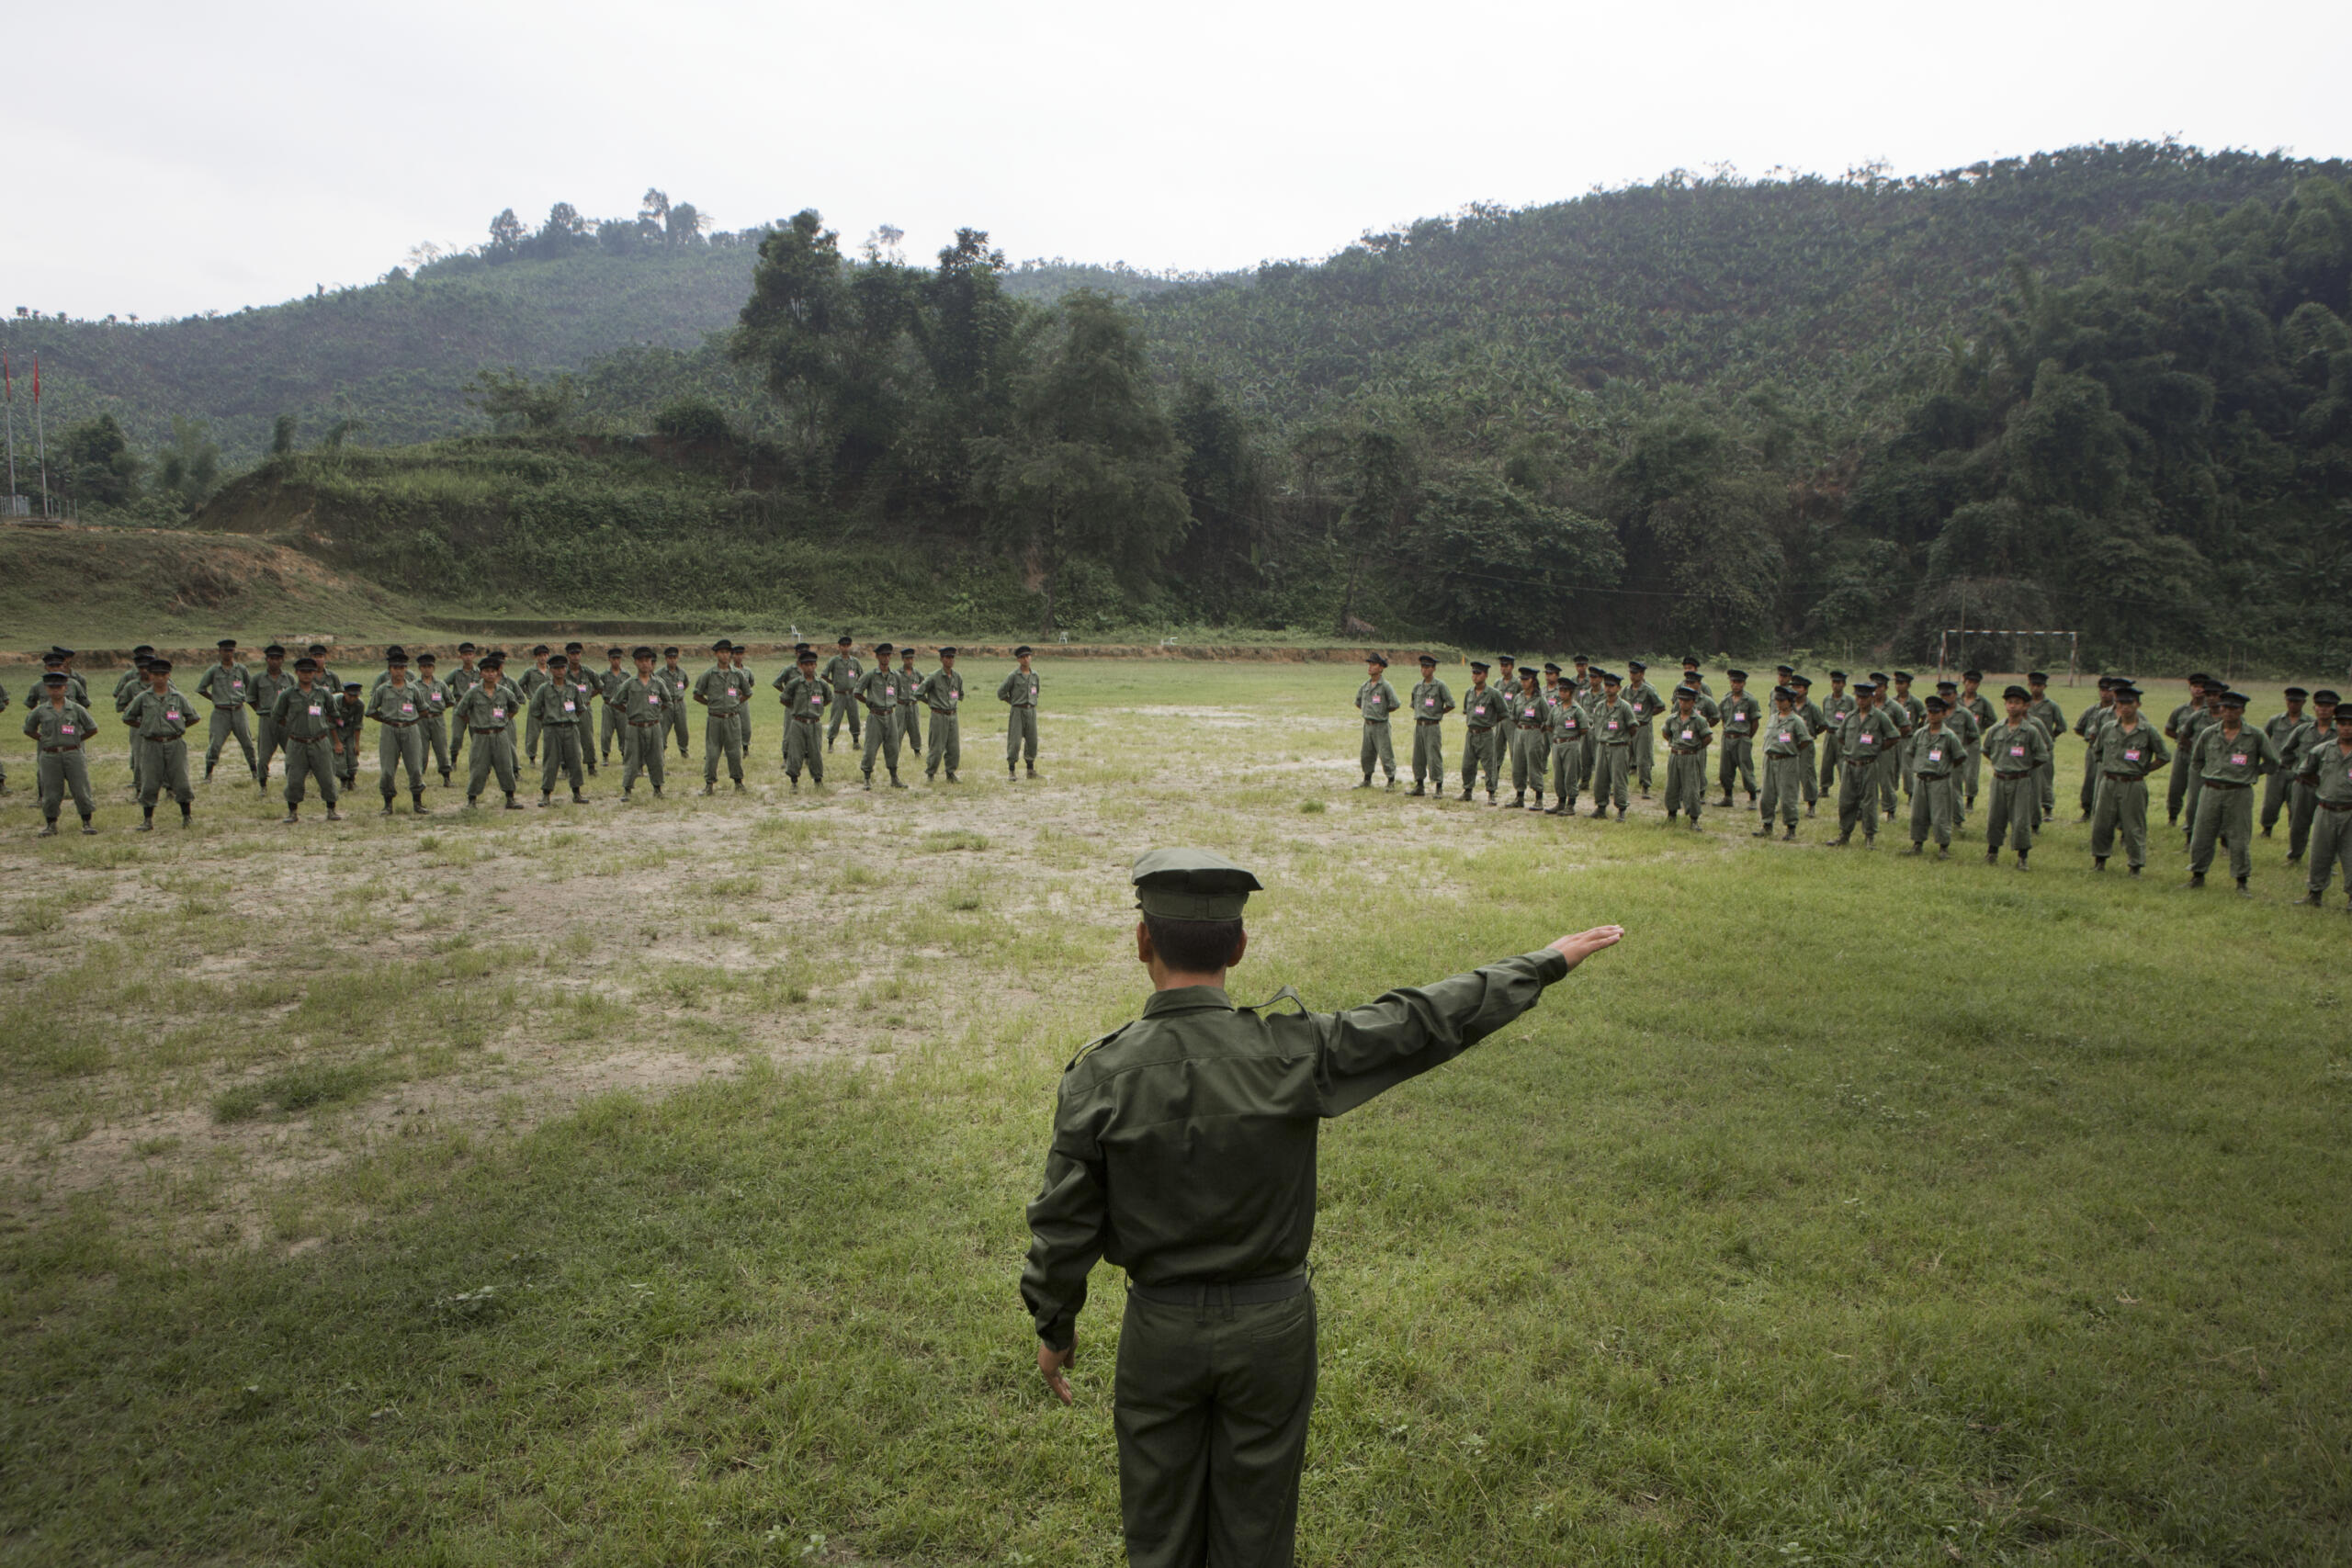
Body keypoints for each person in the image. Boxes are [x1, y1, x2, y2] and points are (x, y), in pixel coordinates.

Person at [1020, 847, 1623, 1568]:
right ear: (1240, 947)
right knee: (1258, 1531)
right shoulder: (1294, 1049)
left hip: (1162, 1330)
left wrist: (1055, 1324)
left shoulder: (1102, 1074)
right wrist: (1542, 961)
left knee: (1158, 1531)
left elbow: (1064, 1223)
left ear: (1142, 940)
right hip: (1273, 1328)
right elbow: (1421, 1019)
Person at [2186, 691, 2278, 895]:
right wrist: (2210, 775)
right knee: (2202, 834)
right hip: (2211, 790)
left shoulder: (2255, 735)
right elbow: (2196, 760)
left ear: (2242, 710)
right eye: (2225, 708)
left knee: (2239, 837)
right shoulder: (2209, 733)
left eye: (2234, 708)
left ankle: (2241, 881)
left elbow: (2272, 763)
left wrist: (2252, 772)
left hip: (2239, 792)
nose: (2228, 712)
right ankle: (2197, 875)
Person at [2089, 685, 2166, 876]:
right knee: (2101, 823)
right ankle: (2100, 860)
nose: (2125, 707)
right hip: (2108, 782)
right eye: (2121, 703)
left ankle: (2135, 865)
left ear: (2138, 704)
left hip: (2134, 783)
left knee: (2133, 826)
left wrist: (2144, 769)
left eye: (2129, 703)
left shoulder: (2147, 731)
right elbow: (2097, 751)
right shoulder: (2108, 728)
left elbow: (2164, 756)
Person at [120, 659, 198, 831]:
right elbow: (127, 717)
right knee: (149, 781)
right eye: (156, 675)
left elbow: (193, 716)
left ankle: (187, 816)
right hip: (151, 744)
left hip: (175, 743)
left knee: (181, 780)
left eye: (163, 675)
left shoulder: (177, 697)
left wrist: (178, 728)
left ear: (169, 675)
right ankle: (147, 820)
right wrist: (145, 728)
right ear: (151, 675)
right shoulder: (143, 698)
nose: (160, 678)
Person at [1981, 685, 2050, 869]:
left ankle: (2022, 857)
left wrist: (2023, 767)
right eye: (2009, 702)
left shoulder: (2031, 731)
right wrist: (2000, 764)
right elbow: (1987, 750)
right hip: (1999, 779)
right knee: (1995, 817)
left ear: (2026, 706)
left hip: (2020, 781)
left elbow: (2042, 756)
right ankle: (1992, 851)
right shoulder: (1996, 729)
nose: (2012, 706)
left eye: (2017, 703)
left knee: (2020, 820)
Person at [269, 657, 345, 823]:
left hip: (320, 741)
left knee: (326, 777)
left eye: (310, 671)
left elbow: (334, 714)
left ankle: (331, 809)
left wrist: (326, 727)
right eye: (303, 671)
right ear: (296, 672)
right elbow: (277, 716)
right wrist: (293, 727)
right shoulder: (288, 694)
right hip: (297, 742)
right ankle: (292, 812)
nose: (306, 675)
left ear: (314, 673)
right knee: (294, 778)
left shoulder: (323, 693)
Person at [25, 671, 98, 835]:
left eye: (59, 687)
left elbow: (92, 728)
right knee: (50, 791)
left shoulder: (76, 709)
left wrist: (77, 740)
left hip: (73, 754)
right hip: (50, 755)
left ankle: (87, 822)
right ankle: (51, 824)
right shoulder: (41, 710)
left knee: (81, 789)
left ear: (65, 688)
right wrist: (43, 739)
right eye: (52, 687)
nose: (55, 690)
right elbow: (28, 729)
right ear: (46, 689)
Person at [2295, 703, 2352, 910]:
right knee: (2320, 853)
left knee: (2350, 855)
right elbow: (2305, 772)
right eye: (2343, 724)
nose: (2347, 728)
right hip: (2326, 809)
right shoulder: (2321, 750)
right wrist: (2323, 787)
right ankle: (2314, 893)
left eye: (2351, 724)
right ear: (2336, 726)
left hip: (2350, 812)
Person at [1830, 680, 1900, 848]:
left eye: (1864, 697)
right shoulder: (1850, 717)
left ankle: (1869, 836)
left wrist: (1877, 749)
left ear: (1872, 697)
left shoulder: (1879, 717)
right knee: (1846, 801)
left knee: (1869, 802)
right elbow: (1840, 736)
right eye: (1858, 697)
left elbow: (1894, 736)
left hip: (1869, 765)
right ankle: (1844, 834)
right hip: (1850, 764)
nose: (1861, 700)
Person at [452, 653, 523, 809]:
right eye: (487, 671)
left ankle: (510, 798)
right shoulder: (473, 693)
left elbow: (515, 707)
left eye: (493, 671)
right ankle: (472, 800)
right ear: (481, 673)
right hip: (481, 736)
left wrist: (504, 721)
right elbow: (461, 711)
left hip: (500, 734)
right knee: (478, 767)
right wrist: (474, 723)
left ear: (498, 672)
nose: (490, 674)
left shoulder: (504, 692)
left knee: (505, 765)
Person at [368, 652, 432, 815]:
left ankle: (417, 803)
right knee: (388, 770)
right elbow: (371, 710)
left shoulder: (413, 689)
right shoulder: (383, 689)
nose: (399, 671)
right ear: (390, 670)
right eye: (395, 668)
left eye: (402, 668)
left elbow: (424, 709)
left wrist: (412, 720)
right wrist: (386, 720)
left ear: (406, 670)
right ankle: (388, 804)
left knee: (415, 768)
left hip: (410, 729)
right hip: (389, 730)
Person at [1902, 696, 1962, 856]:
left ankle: (1943, 847)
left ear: (1944, 714)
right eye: (1930, 712)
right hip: (1921, 779)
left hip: (1939, 780)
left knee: (1940, 815)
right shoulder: (1920, 733)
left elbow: (1960, 756)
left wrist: (1945, 768)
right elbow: (1911, 751)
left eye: (1936, 712)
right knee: (1918, 814)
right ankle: (1917, 844)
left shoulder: (1949, 736)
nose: (1932, 715)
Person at [2284, 690, 2338, 863]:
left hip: (2330, 786)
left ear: (2335, 709)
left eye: (2328, 706)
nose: (2324, 710)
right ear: (2314, 708)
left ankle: (2329, 861)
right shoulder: (2302, 730)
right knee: (2298, 822)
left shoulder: (2342, 732)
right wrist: (2297, 770)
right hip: (2304, 784)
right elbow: (2286, 752)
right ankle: (2295, 855)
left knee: (2330, 825)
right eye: (2320, 706)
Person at [196, 637, 259, 783]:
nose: (228, 653)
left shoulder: (241, 669)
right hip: (220, 712)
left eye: (230, 650)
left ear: (234, 651)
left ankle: (254, 771)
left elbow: (250, 687)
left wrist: (247, 700)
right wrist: (215, 698)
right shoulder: (213, 670)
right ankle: (208, 773)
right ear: (220, 652)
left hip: (238, 710)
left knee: (247, 742)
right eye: (225, 650)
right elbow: (201, 688)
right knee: (215, 743)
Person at [531, 653, 589, 806]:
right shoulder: (544, 689)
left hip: (570, 728)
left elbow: (580, 708)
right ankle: (546, 794)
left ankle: (577, 793)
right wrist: (548, 720)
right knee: (551, 762)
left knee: (575, 760)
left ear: (566, 669)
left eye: (562, 668)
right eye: (556, 668)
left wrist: (570, 719)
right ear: (550, 670)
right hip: (552, 730)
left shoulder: (573, 688)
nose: (559, 671)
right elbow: (535, 709)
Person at [692, 640, 748, 794]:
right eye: (721, 652)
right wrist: (711, 705)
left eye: (727, 652)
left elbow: (748, 692)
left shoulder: (737, 674)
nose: (724, 655)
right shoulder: (709, 674)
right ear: (716, 654)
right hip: (715, 719)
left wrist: (735, 704)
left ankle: (738, 782)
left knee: (735, 751)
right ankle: (709, 784)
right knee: (712, 752)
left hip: (732, 718)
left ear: (730, 654)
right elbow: (696, 694)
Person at [618, 646, 670, 798]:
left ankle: (658, 789)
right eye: (641, 660)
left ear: (651, 662)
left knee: (657, 758)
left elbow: (667, 701)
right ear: (635, 662)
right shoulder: (629, 683)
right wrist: (629, 712)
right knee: (632, 759)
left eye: (647, 660)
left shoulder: (658, 683)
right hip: (634, 726)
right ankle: (627, 789)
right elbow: (616, 701)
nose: (644, 664)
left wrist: (656, 712)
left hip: (654, 726)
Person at [1756, 685, 1806, 840]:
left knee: (1787, 796)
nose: (1778, 702)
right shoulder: (1773, 718)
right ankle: (1767, 825)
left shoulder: (1796, 721)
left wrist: (1790, 750)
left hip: (1787, 761)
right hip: (1770, 760)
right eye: (1776, 699)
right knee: (1766, 796)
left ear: (1790, 702)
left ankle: (1791, 828)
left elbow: (1804, 741)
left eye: (1782, 700)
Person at [777, 647, 829, 791]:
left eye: (812, 664)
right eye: (807, 665)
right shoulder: (795, 684)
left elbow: (828, 698)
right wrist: (796, 709)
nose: (810, 667)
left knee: (815, 752)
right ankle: (794, 781)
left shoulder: (821, 684)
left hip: (814, 723)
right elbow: (784, 699)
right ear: (801, 666)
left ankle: (818, 780)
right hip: (798, 722)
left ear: (816, 665)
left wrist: (816, 710)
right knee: (795, 752)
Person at [1587, 671, 1635, 820]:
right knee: (1600, 778)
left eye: (1612, 686)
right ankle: (1601, 807)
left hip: (1618, 747)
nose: (1608, 689)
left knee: (1619, 779)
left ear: (1619, 688)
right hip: (1602, 745)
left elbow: (1633, 727)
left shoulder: (1624, 707)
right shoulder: (1600, 706)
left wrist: (1622, 739)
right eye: (1606, 685)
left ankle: (1621, 810)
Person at [856, 645, 906, 789]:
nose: (886, 658)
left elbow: (900, 695)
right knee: (870, 748)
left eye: (888, 655)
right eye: (883, 655)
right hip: (875, 716)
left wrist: (892, 703)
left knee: (893, 747)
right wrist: (869, 702)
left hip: (890, 715)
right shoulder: (871, 675)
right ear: (877, 657)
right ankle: (866, 778)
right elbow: (857, 692)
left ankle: (894, 777)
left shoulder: (895, 676)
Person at [2165, 674, 2211, 829]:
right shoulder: (2181, 710)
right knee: (2176, 786)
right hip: (2182, 752)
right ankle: (2172, 816)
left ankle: (2193, 819)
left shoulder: (2211, 710)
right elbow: (2169, 729)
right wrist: (2182, 739)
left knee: (2196, 787)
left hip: (2201, 756)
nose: (2198, 690)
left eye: (2202, 687)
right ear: (2190, 688)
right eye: (2195, 686)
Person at [1661, 685, 1712, 829]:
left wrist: (1696, 747)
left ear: (1693, 702)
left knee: (1691, 788)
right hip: (1675, 755)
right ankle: (1671, 814)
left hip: (1690, 756)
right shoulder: (1672, 718)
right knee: (1672, 786)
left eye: (1687, 701)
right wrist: (1674, 744)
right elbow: (1666, 733)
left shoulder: (1699, 720)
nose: (1683, 703)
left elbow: (1708, 737)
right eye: (1681, 700)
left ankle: (1694, 818)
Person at [2263, 687, 2309, 838]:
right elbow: (2263, 739)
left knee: (2295, 803)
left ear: (2303, 702)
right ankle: (2267, 828)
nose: (2293, 704)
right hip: (2277, 768)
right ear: (2286, 701)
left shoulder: (2310, 723)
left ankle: (2294, 832)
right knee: (2271, 802)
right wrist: (2268, 758)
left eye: (2297, 701)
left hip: (2298, 769)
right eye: (2290, 701)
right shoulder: (2275, 720)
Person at [250, 644, 295, 793]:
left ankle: (293, 783)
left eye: (278, 658)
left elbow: (296, 697)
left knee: (292, 753)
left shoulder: (289, 678)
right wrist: (261, 711)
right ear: (266, 659)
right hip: (267, 720)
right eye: (271, 658)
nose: (274, 661)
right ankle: (263, 785)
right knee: (263, 756)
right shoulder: (258, 678)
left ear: (282, 660)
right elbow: (251, 698)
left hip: (285, 720)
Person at [2074, 676, 2120, 822]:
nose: (2105, 693)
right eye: (2102, 690)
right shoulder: (2092, 710)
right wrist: (2092, 740)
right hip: (2093, 750)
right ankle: (2087, 810)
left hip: (2113, 752)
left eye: (2108, 690)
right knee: (2090, 779)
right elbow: (2079, 728)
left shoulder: (2120, 710)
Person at [1355, 654, 1402, 791]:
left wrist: (1381, 713)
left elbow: (1395, 704)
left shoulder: (1385, 686)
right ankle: (1367, 779)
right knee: (1366, 753)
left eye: (1373, 664)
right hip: (1368, 725)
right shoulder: (1365, 686)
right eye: (1369, 664)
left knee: (1385, 753)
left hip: (1381, 725)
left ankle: (1391, 780)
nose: (1370, 667)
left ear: (1381, 668)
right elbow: (1358, 702)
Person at [1458, 661, 1503, 803]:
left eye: (1478, 673)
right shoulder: (1469, 693)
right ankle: (1467, 790)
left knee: (1489, 765)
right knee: (1467, 764)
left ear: (1486, 675)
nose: (1475, 676)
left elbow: (1503, 712)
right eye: (1473, 673)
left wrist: (1490, 723)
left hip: (1486, 734)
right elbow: (1466, 710)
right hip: (1471, 733)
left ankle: (1491, 793)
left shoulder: (1493, 694)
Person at [1544, 673, 1589, 817]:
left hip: (1571, 744)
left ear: (1571, 692)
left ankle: (1571, 804)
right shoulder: (1556, 708)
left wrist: (1570, 737)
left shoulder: (1577, 710)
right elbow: (1549, 725)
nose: (1562, 693)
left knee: (1571, 774)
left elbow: (1584, 729)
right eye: (1560, 690)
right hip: (1557, 744)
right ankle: (1560, 802)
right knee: (1558, 775)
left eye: (1565, 690)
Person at [1714, 670, 1759, 807]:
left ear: (1744, 683)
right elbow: (1722, 718)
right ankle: (1728, 797)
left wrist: (1747, 737)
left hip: (1742, 738)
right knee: (1725, 770)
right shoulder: (1725, 699)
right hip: (1728, 737)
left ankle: (1752, 798)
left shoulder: (1750, 700)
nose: (1736, 685)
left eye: (1739, 682)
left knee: (1746, 768)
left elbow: (1755, 722)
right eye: (1733, 682)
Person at [2024, 672, 2064, 818]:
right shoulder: (2024, 703)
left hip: (2045, 748)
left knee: (2046, 777)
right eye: (2033, 685)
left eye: (2039, 685)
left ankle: (2047, 808)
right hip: (2026, 747)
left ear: (2044, 687)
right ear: (2029, 686)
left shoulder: (2051, 705)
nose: (2036, 688)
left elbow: (2061, 726)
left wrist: (2049, 738)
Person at [1504, 665, 1545, 809]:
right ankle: (1519, 796)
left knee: (1534, 765)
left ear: (1533, 681)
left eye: (1526, 679)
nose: (1523, 682)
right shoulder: (1518, 697)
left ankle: (1539, 798)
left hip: (1534, 733)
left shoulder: (1540, 700)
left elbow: (1546, 719)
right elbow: (1514, 716)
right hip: (1520, 731)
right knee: (1518, 764)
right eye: (1522, 679)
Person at [1000, 646, 1043, 781]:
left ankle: (1030, 770)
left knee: (1032, 741)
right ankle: (1011, 771)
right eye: (1023, 657)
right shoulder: (1013, 676)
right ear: (1018, 660)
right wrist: (1013, 702)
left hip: (1031, 711)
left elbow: (1037, 692)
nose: (1026, 659)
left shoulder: (1035, 676)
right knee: (1015, 742)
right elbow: (1001, 693)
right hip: (1018, 711)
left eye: (1028, 656)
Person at [922, 648, 966, 782]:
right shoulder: (934, 676)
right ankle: (931, 773)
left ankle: (950, 773)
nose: (950, 660)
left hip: (952, 715)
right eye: (947, 657)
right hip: (938, 715)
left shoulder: (957, 677)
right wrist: (931, 703)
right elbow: (918, 692)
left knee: (954, 748)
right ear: (941, 659)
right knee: (936, 747)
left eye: (952, 657)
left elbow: (960, 694)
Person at [1623, 660, 1665, 797]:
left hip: (1642, 727)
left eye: (1635, 673)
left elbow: (1661, 706)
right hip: (1629, 728)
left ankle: (1645, 786)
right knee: (1624, 757)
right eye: (1631, 673)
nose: (1632, 675)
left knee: (1643, 759)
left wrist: (1648, 714)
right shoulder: (1626, 690)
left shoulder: (1648, 690)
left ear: (1642, 674)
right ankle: (1620, 785)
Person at [1957, 670, 1995, 811]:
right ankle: (1956, 798)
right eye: (1969, 682)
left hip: (1972, 742)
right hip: (1957, 740)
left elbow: (1991, 718)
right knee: (1956, 771)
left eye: (1975, 683)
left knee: (1971, 772)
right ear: (1964, 682)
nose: (1971, 686)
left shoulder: (1982, 702)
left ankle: (1970, 800)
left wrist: (1980, 729)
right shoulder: (1956, 700)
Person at [413, 652, 452, 786]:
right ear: (420, 668)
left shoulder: (440, 685)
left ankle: (446, 777)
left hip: (437, 720)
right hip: (421, 721)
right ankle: (419, 778)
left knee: (441, 748)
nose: (427, 669)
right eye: (424, 666)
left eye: (429, 666)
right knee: (421, 750)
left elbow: (450, 700)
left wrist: (439, 709)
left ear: (433, 668)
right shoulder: (414, 686)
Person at [1816, 671, 1856, 799]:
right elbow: (1824, 717)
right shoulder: (1826, 699)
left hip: (1843, 735)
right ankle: (1824, 788)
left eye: (1838, 683)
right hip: (1829, 734)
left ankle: (1846, 788)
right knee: (1826, 762)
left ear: (1844, 684)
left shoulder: (1850, 700)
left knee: (1842, 762)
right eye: (1834, 682)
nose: (1835, 685)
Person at [824, 634, 865, 751]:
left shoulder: (855, 662)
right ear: (839, 647)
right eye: (843, 646)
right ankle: (830, 743)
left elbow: (861, 674)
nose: (845, 648)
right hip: (839, 694)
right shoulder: (834, 661)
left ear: (850, 646)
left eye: (847, 645)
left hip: (852, 694)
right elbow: (824, 675)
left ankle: (856, 741)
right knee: (835, 719)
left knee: (855, 718)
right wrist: (834, 682)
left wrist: (855, 683)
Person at [1790, 673, 1822, 816]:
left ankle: (1811, 805)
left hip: (1806, 746)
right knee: (1788, 774)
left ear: (1806, 690)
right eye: (1794, 687)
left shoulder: (1812, 707)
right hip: (1790, 745)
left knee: (1807, 774)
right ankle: (1788, 803)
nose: (1796, 690)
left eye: (1799, 687)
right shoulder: (1789, 706)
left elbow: (1822, 724)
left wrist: (1811, 735)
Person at [519, 644, 554, 764]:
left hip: (551, 706)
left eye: (545, 655)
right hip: (535, 706)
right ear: (535, 657)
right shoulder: (530, 671)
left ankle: (551, 757)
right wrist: (529, 694)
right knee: (533, 734)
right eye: (540, 656)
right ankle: (531, 757)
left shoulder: (553, 670)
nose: (542, 658)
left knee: (551, 733)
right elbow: (520, 685)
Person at [599, 647, 630, 768]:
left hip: (622, 707)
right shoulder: (604, 675)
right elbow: (598, 687)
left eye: (618, 658)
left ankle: (625, 755)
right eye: (613, 658)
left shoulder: (626, 675)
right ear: (609, 659)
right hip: (608, 706)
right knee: (606, 733)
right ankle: (605, 756)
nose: (616, 661)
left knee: (623, 732)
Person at [659, 647, 693, 759]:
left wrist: (679, 694)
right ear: (666, 659)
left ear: (677, 658)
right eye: (670, 658)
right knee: (663, 728)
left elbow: (686, 684)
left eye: (674, 658)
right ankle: (661, 751)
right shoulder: (660, 673)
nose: (672, 660)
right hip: (666, 705)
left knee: (682, 729)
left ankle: (684, 750)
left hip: (680, 704)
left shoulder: (682, 673)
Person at [897, 645, 927, 756]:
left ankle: (917, 751)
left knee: (915, 728)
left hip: (914, 705)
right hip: (901, 705)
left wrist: (928, 701)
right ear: (903, 659)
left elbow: (924, 689)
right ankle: (895, 750)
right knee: (898, 729)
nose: (909, 661)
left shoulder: (918, 674)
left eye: (911, 658)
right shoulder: (897, 674)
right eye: (907, 659)